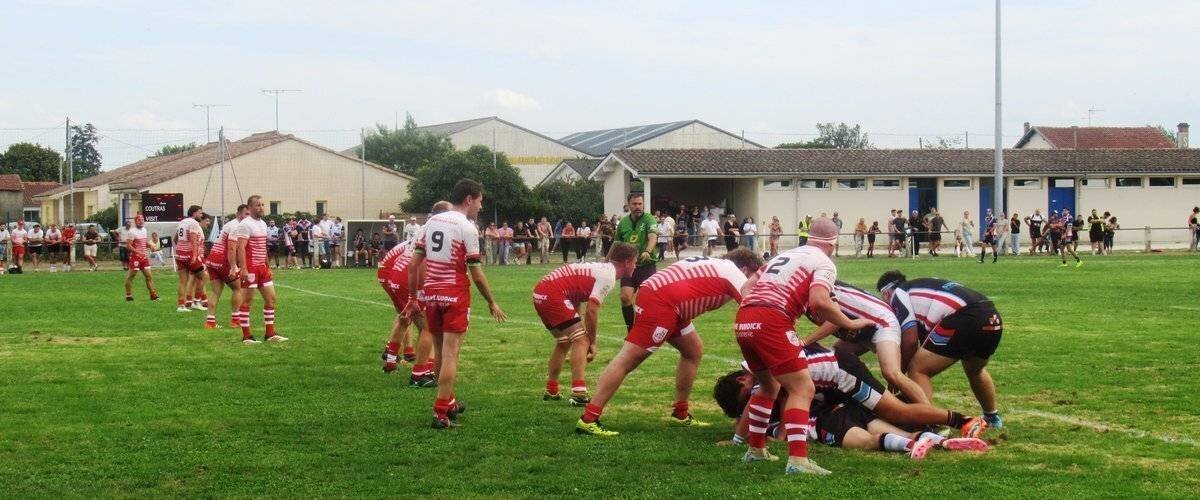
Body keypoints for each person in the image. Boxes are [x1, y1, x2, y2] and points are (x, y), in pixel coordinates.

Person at [732, 218, 875, 475]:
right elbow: (819, 301)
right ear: (833, 243)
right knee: (802, 387)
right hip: (771, 320)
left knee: (768, 385)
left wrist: (759, 309)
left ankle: (755, 450)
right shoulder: (824, 262)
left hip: (745, 318)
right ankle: (798, 461)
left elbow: (746, 287)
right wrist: (849, 322)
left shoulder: (784, 255)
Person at [576, 248, 765, 436]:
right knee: (628, 358)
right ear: (747, 269)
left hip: (667, 300)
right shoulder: (734, 273)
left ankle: (680, 413)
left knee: (693, 351)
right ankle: (589, 418)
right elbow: (757, 309)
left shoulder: (719, 264)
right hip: (663, 301)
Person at [712, 347, 989, 458]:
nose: (755, 399)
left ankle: (963, 420)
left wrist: (741, 439)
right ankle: (929, 437)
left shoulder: (756, 371)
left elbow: (777, 399)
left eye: (747, 395)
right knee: (885, 415)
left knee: (894, 409)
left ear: (741, 380)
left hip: (838, 373)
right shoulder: (757, 362)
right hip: (834, 382)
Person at [406, 179, 507, 429]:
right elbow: (477, 273)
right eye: (480, 201)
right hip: (455, 294)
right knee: (451, 354)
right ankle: (440, 412)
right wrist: (492, 301)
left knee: (440, 352)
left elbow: (413, 264)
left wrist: (412, 298)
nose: (481, 207)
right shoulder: (467, 227)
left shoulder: (431, 221)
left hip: (431, 294)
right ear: (469, 199)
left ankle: (448, 401)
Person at [876, 271, 1004, 429]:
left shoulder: (899, 294)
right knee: (975, 370)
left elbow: (910, 341)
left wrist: (898, 374)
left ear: (886, 293)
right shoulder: (923, 285)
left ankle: (927, 421)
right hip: (991, 316)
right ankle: (992, 417)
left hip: (964, 318)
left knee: (918, 369)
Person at [534, 243, 638, 405]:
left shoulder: (602, 269)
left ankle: (552, 389)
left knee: (564, 341)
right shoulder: (608, 276)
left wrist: (581, 329)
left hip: (541, 292)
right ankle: (579, 393)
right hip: (553, 293)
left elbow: (575, 298)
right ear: (626, 263)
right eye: (634, 262)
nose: (635, 265)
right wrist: (592, 342)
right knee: (581, 340)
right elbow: (592, 311)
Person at [799, 280, 925, 402]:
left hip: (880, 322)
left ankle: (930, 415)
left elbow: (834, 322)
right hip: (862, 330)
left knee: (891, 373)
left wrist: (805, 342)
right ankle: (852, 400)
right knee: (835, 360)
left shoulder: (819, 287)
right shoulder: (802, 291)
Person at [381, 201, 451, 386]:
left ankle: (390, 360)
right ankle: (420, 373)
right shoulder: (438, 230)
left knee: (405, 318)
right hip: (407, 276)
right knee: (429, 327)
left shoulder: (425, 228)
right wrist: (422, 291)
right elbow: (421, 262)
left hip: (396, 274)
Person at [234, 195, 288, 344]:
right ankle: (247, 336)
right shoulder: (245, 224)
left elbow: (263, 247)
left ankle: (270, 334)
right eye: (258, 205)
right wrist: (243, 269)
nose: (261, 207)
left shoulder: (263, 224)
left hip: (262, 268)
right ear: (250, 208)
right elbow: (241, 248)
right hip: (250, 268)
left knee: (271, 298)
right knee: (247, 301)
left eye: (262, 204)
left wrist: (267, 266)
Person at [616, 193, 659, 332]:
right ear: (629, 205)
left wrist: (647, 251)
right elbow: (617, 243)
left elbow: (653, 237)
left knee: (648, 300)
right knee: (625, 297)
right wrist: (611, 261)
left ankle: (650, 329)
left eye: (640, 204)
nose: (638, 207)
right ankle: (631, 331)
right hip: (628, 267)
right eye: (634, 204)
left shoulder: (649, 219)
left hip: (646, 266)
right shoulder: (623, 223)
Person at [203, 206, 247, 329]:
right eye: (245, 213)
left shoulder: (230, 224)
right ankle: (235, 320)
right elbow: (232, 248)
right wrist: (233, 266)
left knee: (216, 292)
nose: (248, 216)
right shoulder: (237, 226)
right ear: (238, 213)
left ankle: (210, 321)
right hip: (223, 259)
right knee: (238, 289)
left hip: (212, 258)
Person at [174, 205, 208, 312]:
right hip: (189, 255)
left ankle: (181, 306)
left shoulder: (182, 222)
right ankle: (196, 301)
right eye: (200, 213)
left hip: (179, 254)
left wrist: (181, 248)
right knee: (203, 276)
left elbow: (175, 239)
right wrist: (194, 256)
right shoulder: (193, 223)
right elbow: (193, 241)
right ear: (194, 213)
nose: (201, 215)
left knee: (183, 281)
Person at [123, 214, 160, 302]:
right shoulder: (132, 232)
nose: (141, 221)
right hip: (135, 258)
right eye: (139, 220)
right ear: (135, 221)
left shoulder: (144, 230)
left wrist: (150, 245)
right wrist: (138, 252)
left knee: (149, 276)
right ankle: (128, 295)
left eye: (142, 219)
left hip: (144, 258)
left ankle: (153, 295)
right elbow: (128, 246)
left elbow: (144, 242)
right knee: (131, 276)